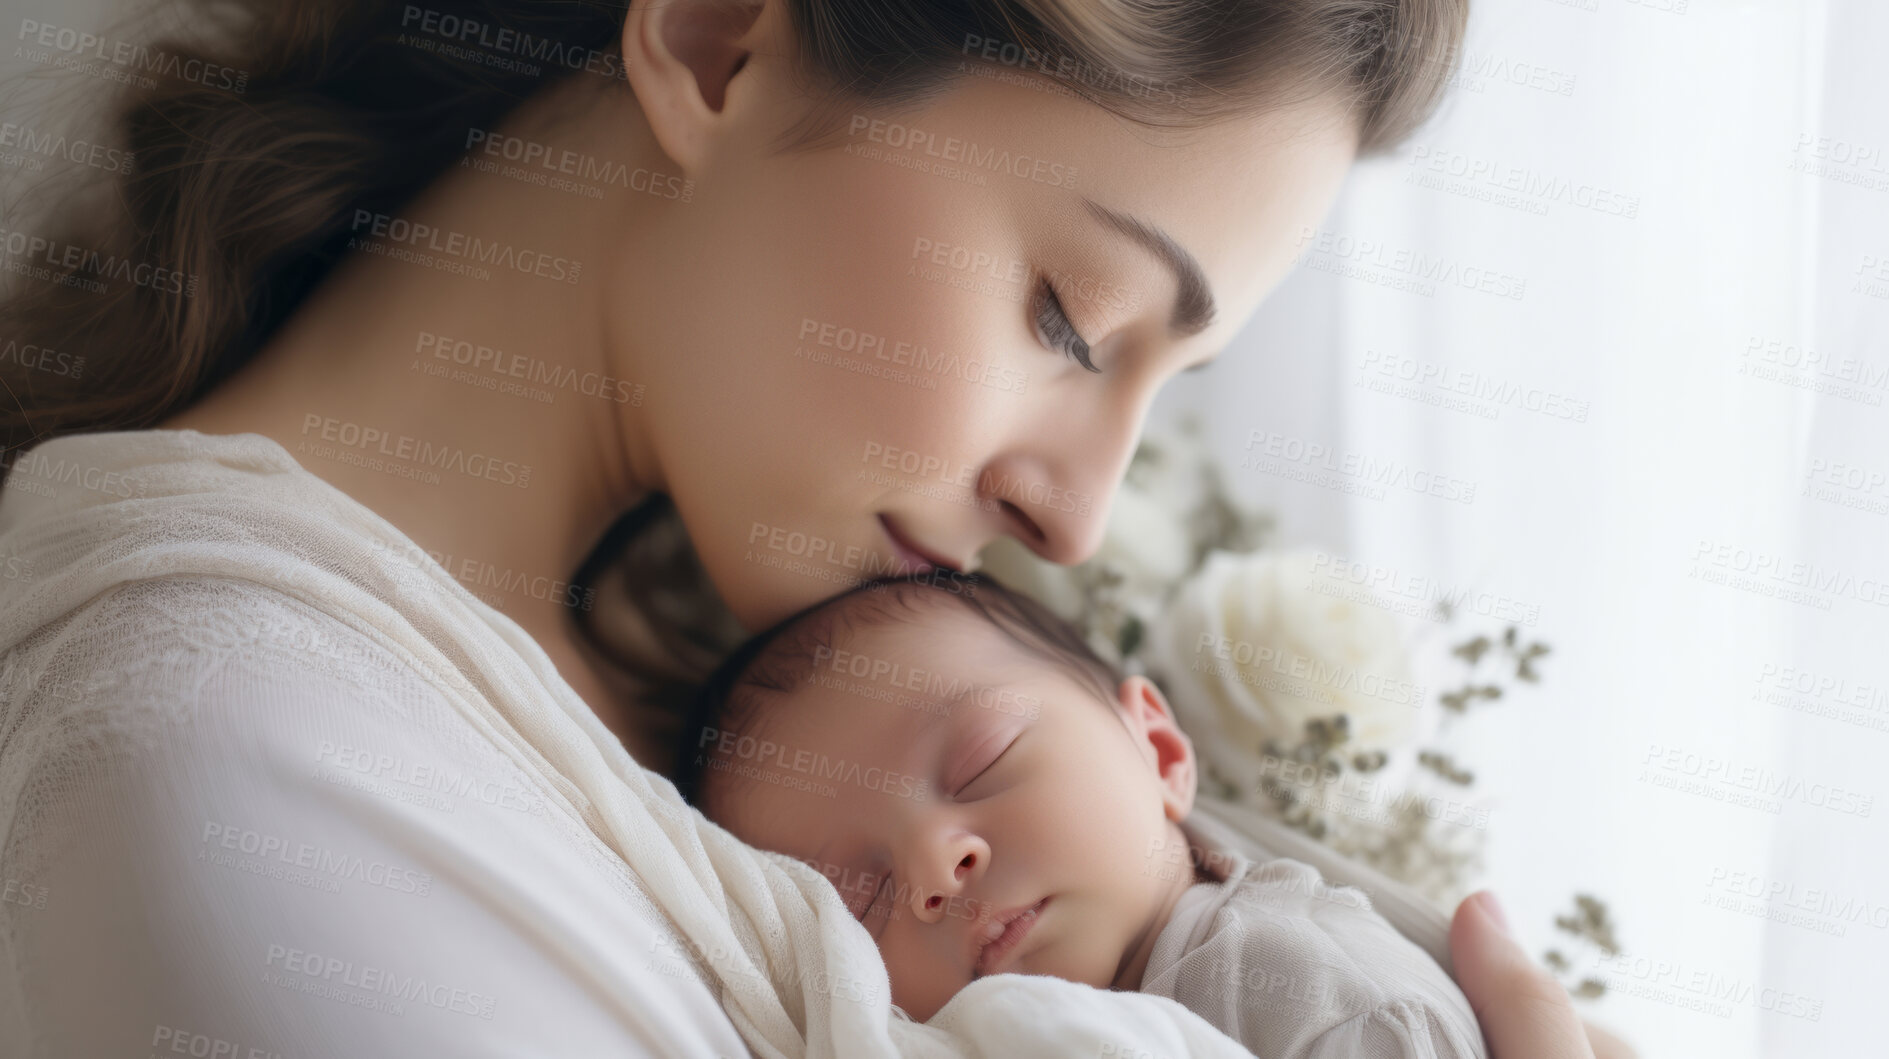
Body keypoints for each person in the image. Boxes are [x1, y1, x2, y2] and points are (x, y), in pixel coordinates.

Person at [0, 0, 1603, 1054]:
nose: (1076, 512)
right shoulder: (228, 763)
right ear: (715, 44)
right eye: (1068, 314)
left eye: (1162, 388)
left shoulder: (780, 700)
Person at [678, 573, 1488, 1055]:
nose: (934, 864)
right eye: (859, 897)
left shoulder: (1314, 992)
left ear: (1162, 752)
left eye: (980, 761)